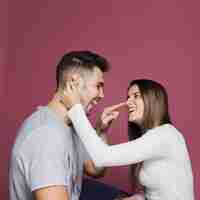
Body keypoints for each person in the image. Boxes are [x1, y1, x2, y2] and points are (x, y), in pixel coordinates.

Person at [61, 79, 194, 200]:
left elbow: (102, 156)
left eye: (136, 96)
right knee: (87, 188)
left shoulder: (166, 135)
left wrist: (75, 108)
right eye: (128, 97)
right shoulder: (153, 137)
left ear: (153, 100)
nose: (128, 102)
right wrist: (101, 130)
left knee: (87, 190)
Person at [9, 50, 114, 200]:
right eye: (98, 86)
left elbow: (95, 169)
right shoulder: (46, 135)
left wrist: (102, 131)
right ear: (74, 82)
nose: (102, 95)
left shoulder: (71, 126)